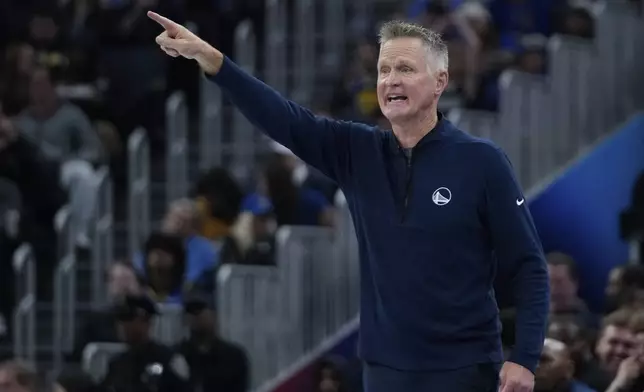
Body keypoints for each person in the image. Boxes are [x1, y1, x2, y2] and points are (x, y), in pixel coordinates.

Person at [149, 13, 549, 392]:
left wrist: (525, 357)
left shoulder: (481, 162)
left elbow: (529, 266)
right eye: (383, 70)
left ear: (440, 81)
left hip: (464, 370)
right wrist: (214, 61)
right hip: (383, 370)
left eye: (405, 69)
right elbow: (285, 119)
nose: (391, 80)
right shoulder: (358, 150)